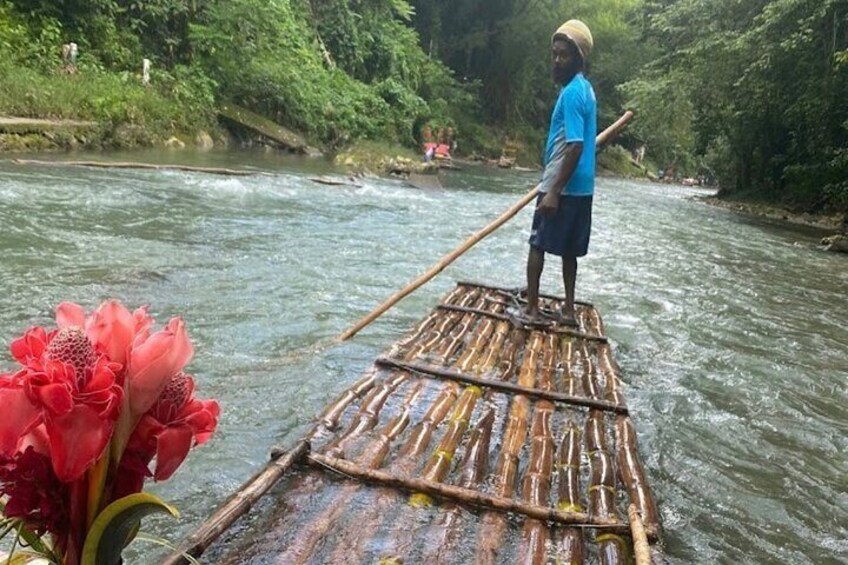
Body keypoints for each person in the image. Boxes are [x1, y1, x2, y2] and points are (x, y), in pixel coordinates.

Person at [519, 19, 596, 328]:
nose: (557, 61)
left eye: (563, 55)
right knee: (568, 251)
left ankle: (533, 310)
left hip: (560, 182)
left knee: (537, 244)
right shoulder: (586, 91)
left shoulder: (573, 94)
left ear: (578, 58)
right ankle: (568, 309)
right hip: (582, 185)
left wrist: (553, 191)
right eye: (554, 54)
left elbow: (575, 146)